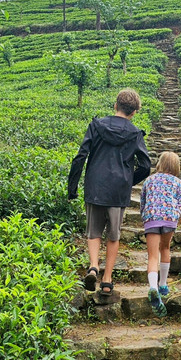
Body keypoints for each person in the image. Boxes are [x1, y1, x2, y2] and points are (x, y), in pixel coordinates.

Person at [67, 88, 151, 299]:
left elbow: (80, 156)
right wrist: (127, 181)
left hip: (95, 185)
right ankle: (107, 280)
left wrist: (73, 188)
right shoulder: (134, 133)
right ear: (133, 112)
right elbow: (145, 165)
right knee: (113, 236)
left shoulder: (96, 126)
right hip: (118, 190)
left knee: (93, 231)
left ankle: (93, 266)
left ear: (115, 105)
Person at [139, 150, 181, 317]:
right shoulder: (178, 182)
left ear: (160, 163)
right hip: (169, 218)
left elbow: (142, 201)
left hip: (152, 218)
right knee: (165, 248)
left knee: (152, 255)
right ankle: (163, 284)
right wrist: (175, 218)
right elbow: (179, 203)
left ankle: (153, 287)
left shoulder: (149, 180)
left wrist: (145, 216)